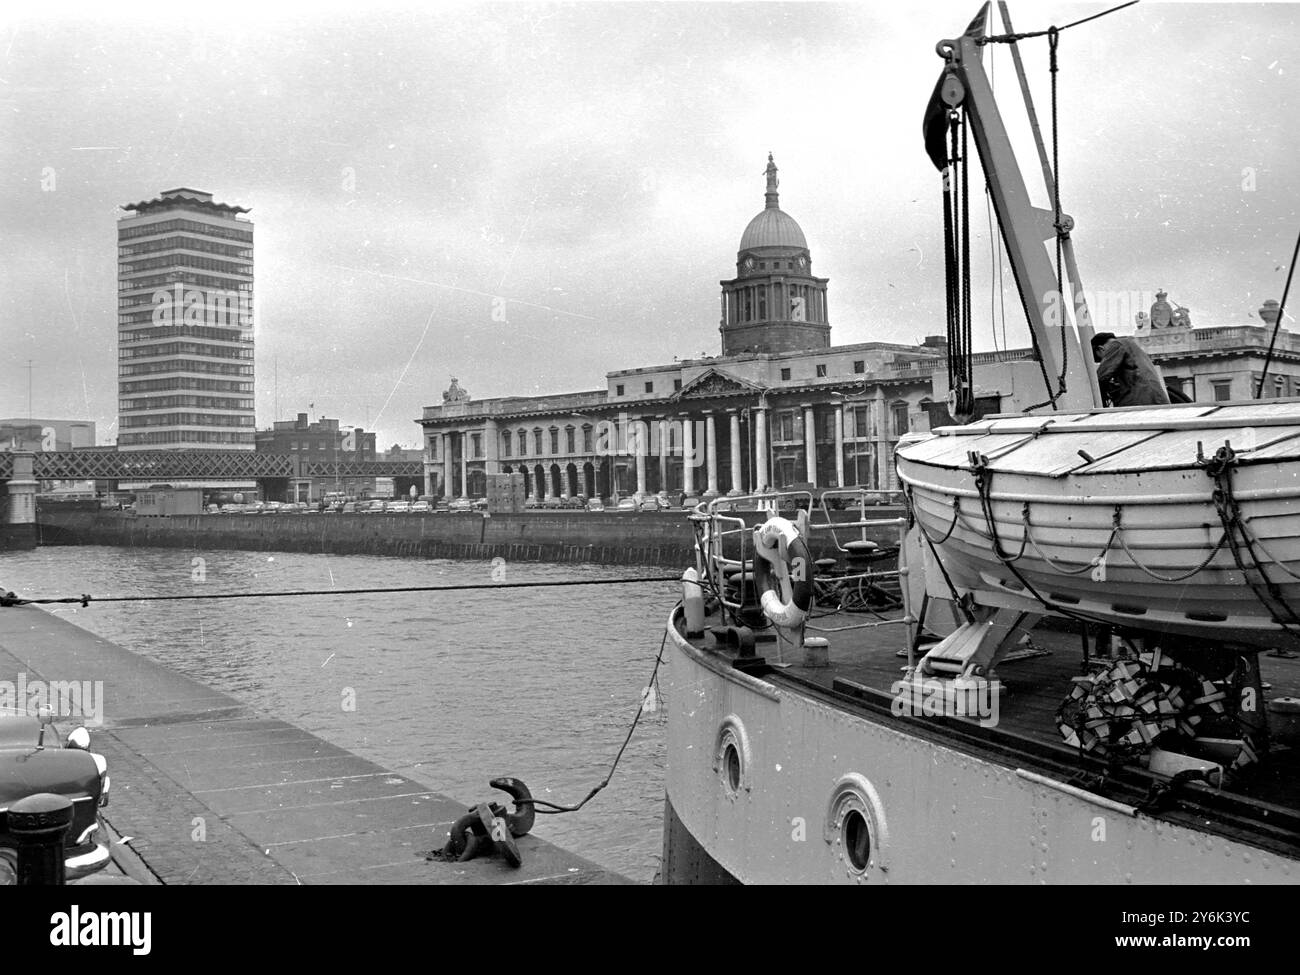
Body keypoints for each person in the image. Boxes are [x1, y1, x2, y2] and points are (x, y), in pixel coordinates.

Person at [1090, 332, 1170, 407]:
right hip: (1155, 398)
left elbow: (1101, 375)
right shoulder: (1131, 345)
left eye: (1101, 359)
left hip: (1140, 399)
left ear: (1100, 349)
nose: (1104, 360)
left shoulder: (1116, 345)